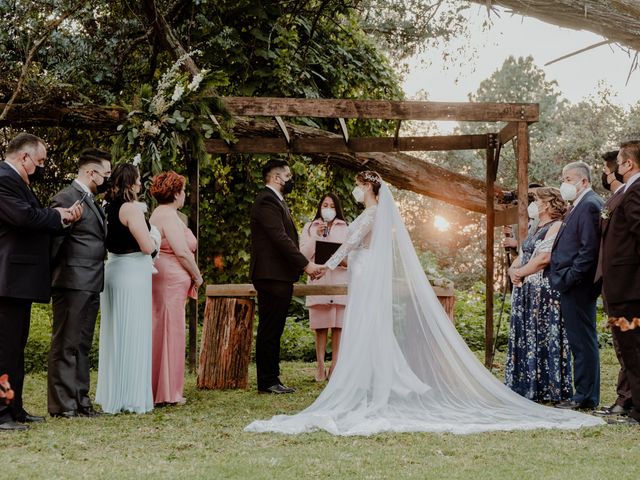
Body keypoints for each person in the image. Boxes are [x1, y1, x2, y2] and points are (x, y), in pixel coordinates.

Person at [245, 171, 603, 435]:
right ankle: (373, 374)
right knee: (367, 324)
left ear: (367, 188)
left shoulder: (371, 214)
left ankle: (374, 377)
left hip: (365, 271)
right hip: (363, 271)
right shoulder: (372, 214)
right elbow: (349, 245)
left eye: (358, 185)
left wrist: (319, 266)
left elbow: (349, 245)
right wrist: (323, 263)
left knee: (367, 322)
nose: (354, 191)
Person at [0, 133, 82, 431]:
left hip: (18, 281)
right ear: (23, 157)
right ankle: (1, 412)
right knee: (4, 352)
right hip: (6, 280)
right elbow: (24, 218)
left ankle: (15, 408)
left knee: (15, 350)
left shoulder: (16, 180)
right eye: (40, 161)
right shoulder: (3, 178)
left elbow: (34, 221)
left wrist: (62, 220)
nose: (42, 166)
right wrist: (56, 214)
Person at [48, 148, 111, 419]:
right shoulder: (65, 197)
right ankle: (63, 405)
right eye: (106, 174)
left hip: (92, 281)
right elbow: (53, 242)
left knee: (83, 344)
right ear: (91, 172)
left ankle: (81, 400)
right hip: (72, 281)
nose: (107, 179)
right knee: (66, 343)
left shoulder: (92, 200)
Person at [250, 159, 323, 394]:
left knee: (274, 328)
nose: (291, 179)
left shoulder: (277, 201)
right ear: (276, 178)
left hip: (279, 275)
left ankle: (272, 379)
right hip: (271, 275)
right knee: (270, 329)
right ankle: (267, 381)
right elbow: (280, 238)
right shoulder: (266, 201)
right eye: (288, 175)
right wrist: (306, 265)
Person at [95, 163, 158, 414]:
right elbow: (145, 246)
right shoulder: (131, 208)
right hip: (132, 274)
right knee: (133, 332)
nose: (141, 185)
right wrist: (157, 240)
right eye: (139, 181)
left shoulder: (106, 207)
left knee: (115, 333)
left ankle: (115, 393)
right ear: (130, 183)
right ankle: (131, 397)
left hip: (113, 270)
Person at [505, 187, 572, 402]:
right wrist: (512, 271)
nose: (533, 204)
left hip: (543, 292)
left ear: (548, 204)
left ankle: (546, 387)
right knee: (525, 333)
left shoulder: (557, 226)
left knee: (542, 335)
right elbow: (524, 253)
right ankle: (524, 383)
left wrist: (520, 273)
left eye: (537, 200)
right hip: (525, 289)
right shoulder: (535, 226)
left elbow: (544, 258)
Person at [549, 161, 604, 410]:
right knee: (577, 341)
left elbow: (588, 249)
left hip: (579, 285)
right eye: (564, 178)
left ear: (584, 181)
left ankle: (585, 396)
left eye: (569, 179)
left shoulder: (591, 205)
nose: (565, 183)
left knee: (583, 342)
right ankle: (581, 393)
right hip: (570, 284)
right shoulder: (576, 206)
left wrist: (571, 276)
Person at [149, 171, 202, 406]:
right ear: (177, 193)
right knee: (171, 332)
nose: (184, 196)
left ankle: (161, 387)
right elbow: (181, 251)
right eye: (182, 192)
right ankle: (168, 392)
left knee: (163, 329)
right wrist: (197, 275)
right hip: (170, 279)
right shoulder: (169, 216)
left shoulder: (158, 213)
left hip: (166, 278)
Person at [602, 141, 640, 425]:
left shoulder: (636, 191)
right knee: (627, 347)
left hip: (630, 287)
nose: (616, 168)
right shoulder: (627, 190)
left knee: (633, 348)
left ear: (628, 164)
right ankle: (631, 403)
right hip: (619, 286)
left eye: (620, 162)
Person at [594, 150, 632, 416]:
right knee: (621, 344)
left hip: (627, 286)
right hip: (613, 286)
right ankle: (625, 396)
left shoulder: (628, 196)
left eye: (608, 170)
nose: (606, 176)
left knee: (629, 342)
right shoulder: (615, 198)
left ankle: (627, 398)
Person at [299, 194, 348, 381]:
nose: (328, 208)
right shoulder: (309, 227)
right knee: (320, 326)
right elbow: (302, 255)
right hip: (318, 281)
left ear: (337, 209)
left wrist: (341, 259)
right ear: (320, 207)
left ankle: (334, 366)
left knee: (338, 326)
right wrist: (316, 236)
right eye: (325, 205)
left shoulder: (346, 228)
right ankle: (320, 366)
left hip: (340, 281)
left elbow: (353, 257)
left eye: (332, 205)